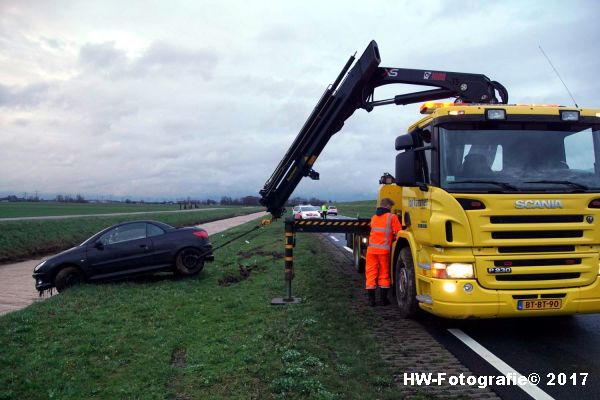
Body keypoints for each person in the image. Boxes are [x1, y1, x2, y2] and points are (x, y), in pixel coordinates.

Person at [365, 198, 401, 306]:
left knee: (371, 274)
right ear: (387, 206)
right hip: (384, 251)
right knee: (384, 274)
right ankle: (383, 300)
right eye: (391, 206)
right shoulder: (392, 217)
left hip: (371, 250)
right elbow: (398, 232)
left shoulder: (374, 217)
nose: (391, 208)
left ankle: (371, 301)